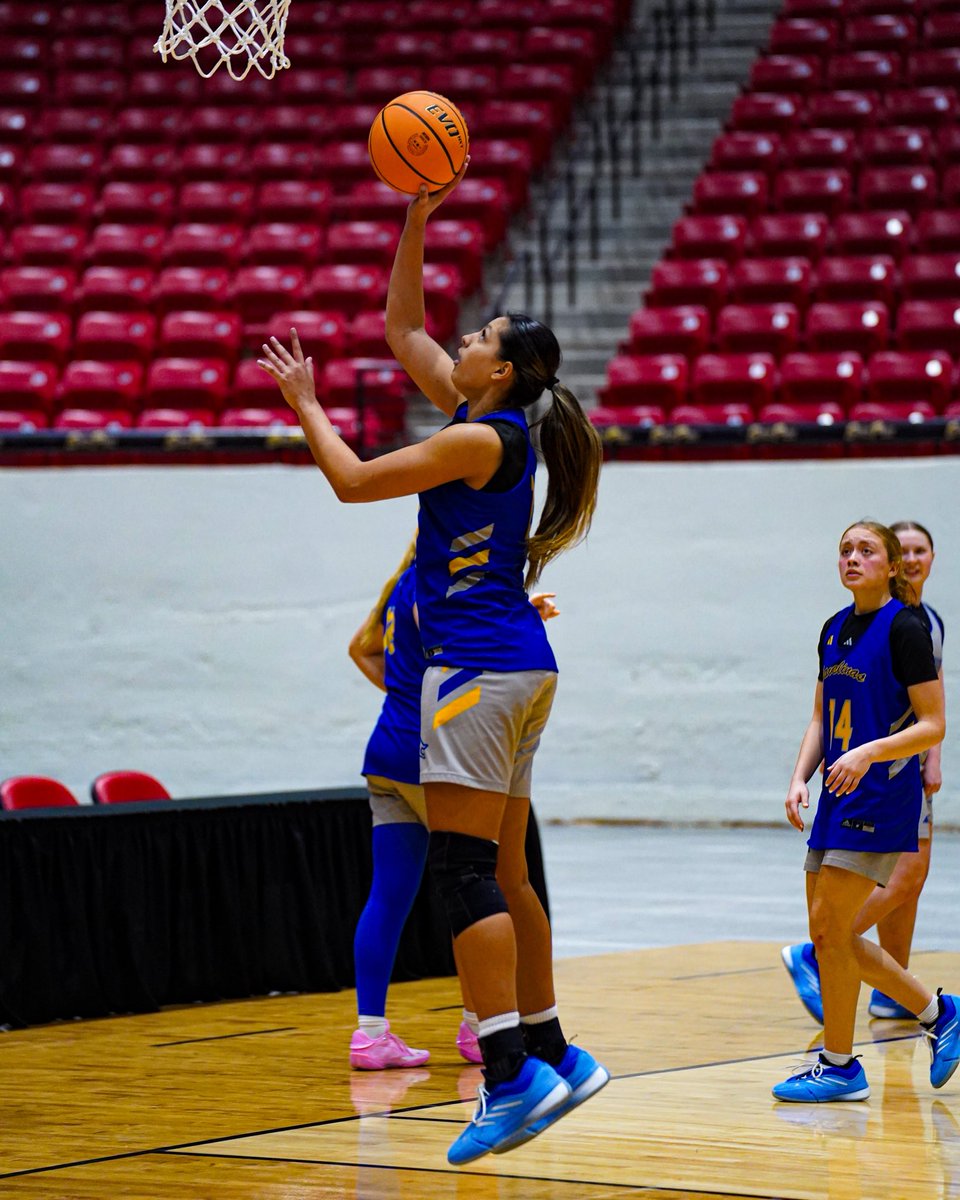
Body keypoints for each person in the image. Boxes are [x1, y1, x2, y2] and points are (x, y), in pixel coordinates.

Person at [258, 163, 609, 1163]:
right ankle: (554, 1050)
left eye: (479, 338)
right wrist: (416, 217)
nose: (461, 342)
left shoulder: (476, 441)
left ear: (501, 372)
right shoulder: (486, 421)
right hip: (518, 664)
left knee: (461, 873)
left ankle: (511, 1075)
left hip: (476, 669)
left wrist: (305, 403)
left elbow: (352, 480)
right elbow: (401, 326)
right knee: (505, 869)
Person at [348, 537, 561, 1071]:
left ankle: (370, 1034)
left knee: (387, 897)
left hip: (385, 749)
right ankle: (477, 1027)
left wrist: (404, 695)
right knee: (473, 880)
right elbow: (450, 647)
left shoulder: (398, 587)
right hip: (428, 753)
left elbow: (362, 649)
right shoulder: (439, 588)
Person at [773, 521, 955, 1103]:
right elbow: (820, 716)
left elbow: (934, 724)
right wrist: (799, 777)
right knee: (828, 935)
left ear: (891, 566)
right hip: (835, 792)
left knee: (834, 930)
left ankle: (842, 1062)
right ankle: (934, 1016)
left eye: (866, 550)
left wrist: (869, 753)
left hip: (880, 793)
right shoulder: (832, 628)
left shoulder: (906, 628)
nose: (852, 558)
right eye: (845, 550)